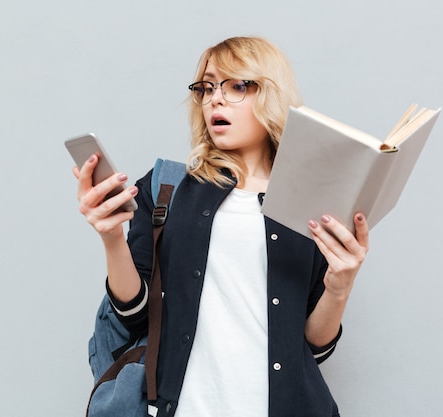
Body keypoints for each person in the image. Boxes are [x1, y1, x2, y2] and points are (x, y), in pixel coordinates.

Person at [73, 36, 369, 417]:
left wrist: (340, 287)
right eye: (207, 87)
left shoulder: (313, 205)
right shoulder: (167, 187)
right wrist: (111, 237)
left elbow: (314, 348)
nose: (216, 98)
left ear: (272, 96)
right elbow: (136, 313)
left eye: (237, 86)